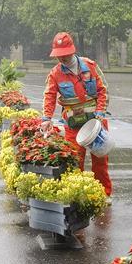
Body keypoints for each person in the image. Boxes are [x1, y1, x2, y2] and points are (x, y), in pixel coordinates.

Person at [43, 31, 112, 196]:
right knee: (74, 162)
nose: (62, 58)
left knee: (100, 161)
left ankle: (104, 193)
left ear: (72, 51)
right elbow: (50, 96)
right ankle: (76, 195)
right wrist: (46, 118)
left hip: (96, 122)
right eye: (59, 56)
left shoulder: (90, 66)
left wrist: (101, 112)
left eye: (65, 55)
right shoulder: (55, 74)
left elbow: (103, 91)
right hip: (73, 125)